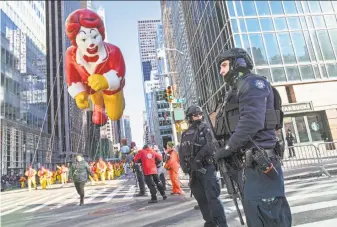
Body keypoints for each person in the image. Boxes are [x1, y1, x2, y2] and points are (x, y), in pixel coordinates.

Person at [213, 48, 291, 227]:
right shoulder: (234, 91)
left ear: (238, 63)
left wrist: (226, 149)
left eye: (224, 65)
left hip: (260, 163)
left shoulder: (253, 84)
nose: (221, 71)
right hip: (247, 166)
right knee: (255, 218)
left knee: (269, 216)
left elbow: (251, 122)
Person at [179, 104, 228, 227]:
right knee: (201, 200)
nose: (199, 116)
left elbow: (212, 145)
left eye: (200, 114)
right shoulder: (185, 134)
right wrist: (184, 166)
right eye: (195, 115)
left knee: (213, 199)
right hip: (193, 173)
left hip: (206, 169)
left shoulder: (206, 129)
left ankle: (222, 224)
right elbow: (181, 151)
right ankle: (210, 223)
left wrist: (198, 158)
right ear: (190, 117)